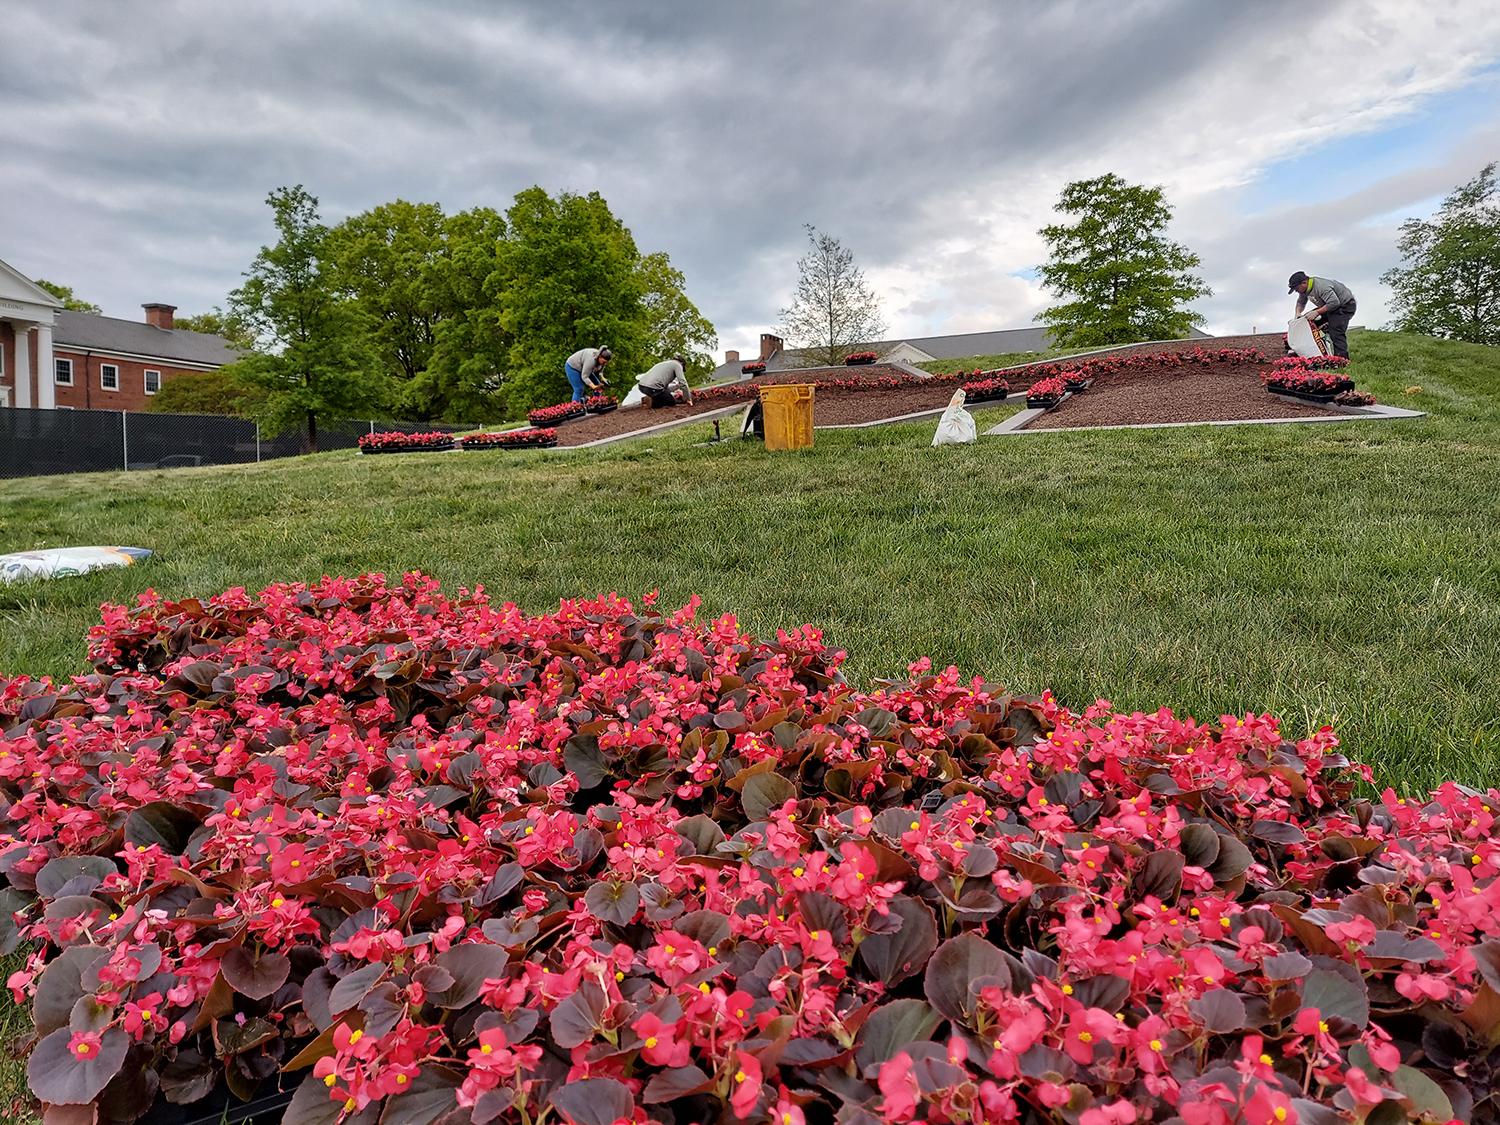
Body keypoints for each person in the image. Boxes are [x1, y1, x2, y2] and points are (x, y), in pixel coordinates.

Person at [1288, 271, 1357, 359]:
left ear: (1304, 282)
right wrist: (1298, 313)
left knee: (1336, 331)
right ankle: (1315, 353)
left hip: (1344, 306)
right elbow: (1301, 302)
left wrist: (1317, 312)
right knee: (1308, 321)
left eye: (1296, 288)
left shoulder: (1321, 287)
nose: (1296, 291)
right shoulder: (1304, 290)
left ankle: (1342, 360)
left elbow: (1334, 302)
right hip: (1328, 306)